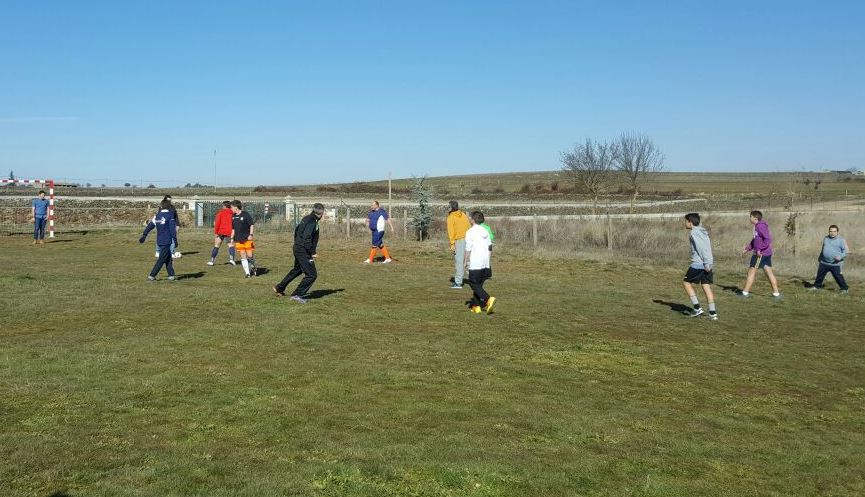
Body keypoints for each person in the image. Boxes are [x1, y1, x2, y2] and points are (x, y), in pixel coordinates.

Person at [273, 203, 325, 304]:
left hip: (298, 247)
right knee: (311, 275)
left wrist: (297, 243)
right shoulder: (312, 222)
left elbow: (297, 231)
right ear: (321, 213)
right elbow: (307, 237)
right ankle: (297, 295)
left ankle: (279, 287)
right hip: (303, 250)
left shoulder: (306, 218)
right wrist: (312, 252)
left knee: (298, 270)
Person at [738, 210, 781, 299]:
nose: (749, 218)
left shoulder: (760, 226)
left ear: (755, 218)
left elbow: (768, 239)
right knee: (769, 272)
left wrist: (759, 249)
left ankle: (745, 293)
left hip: (760, 254)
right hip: (765, 254)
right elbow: (756, 240)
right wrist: (748, 248)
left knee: (751, 271)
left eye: (750, 216)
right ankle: (776, 294)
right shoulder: (757, 226)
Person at [682, 213, 718, 320]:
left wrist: (706, 263)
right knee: (706, 285)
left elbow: (701, 248)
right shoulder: (702, 231)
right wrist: (709, 263)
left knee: (686, 283)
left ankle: (697, 308)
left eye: (686, 221)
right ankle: (713, 313)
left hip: (699, 264)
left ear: (690, 222)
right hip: (707, 263)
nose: (685, 223)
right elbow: (707, 248)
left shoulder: (694, 233)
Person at [139, 199, 179, 281]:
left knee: (168, 257)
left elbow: (150, 226)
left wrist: (144, 234)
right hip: (166, 241)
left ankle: (171, 275)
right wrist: (175, 240)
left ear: (161, 206)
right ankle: (152, 276)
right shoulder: (170, 216)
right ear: (169, 206)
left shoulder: (157, 216)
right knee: (161, 259)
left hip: (159, 241)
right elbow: (172, 230)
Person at [464, 211, 495, 314]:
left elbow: (468, 249)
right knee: (479, 285)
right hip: (485, 262)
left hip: (476, 262)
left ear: (472, 220)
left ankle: (488, 299)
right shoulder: (485, 231)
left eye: (470, 217)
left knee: (473, 283)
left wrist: (465, 261)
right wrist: (488, 259)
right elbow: (490, 247)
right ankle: (476, 306)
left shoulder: (470, 232)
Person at [810, 224, 850, 294]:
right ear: (829, 231)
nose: (832, 233)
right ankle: (816, 286)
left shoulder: (841, 240)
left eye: (834, 231)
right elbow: (823, 248)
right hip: (824, 262)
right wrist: (820, 257)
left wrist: (840, 256)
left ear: (837, 232)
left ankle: (844, 289)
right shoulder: (826, 238)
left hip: (835, 263)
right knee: (820, 275)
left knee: (838, 277)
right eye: (831, 231)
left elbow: (846, 251)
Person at [229, 200, 257, 278]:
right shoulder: (233, 216)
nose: (231, 209)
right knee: (243, 255)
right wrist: (231, 238)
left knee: (250, 255)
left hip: (247, 239)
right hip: (238, 239)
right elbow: (233, 229)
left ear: (236, 207)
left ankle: (253, 267)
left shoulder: (245, 214)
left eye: (231, 207)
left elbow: (251, 225)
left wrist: (251, 234)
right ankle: (247, 273)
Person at [446, 200, 470, 288]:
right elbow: (469, 226)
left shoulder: (450, 217)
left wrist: (452, 244)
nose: (447, 208)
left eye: (449, 206)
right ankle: (475, 279)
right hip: (468, 239)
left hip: (459, 241)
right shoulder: (463, 214)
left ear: (452, 207)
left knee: (459, 261)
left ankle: (458, 282)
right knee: (468, 261)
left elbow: (451, 232)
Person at [208, 200, 236, 266]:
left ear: (224, 206)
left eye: (222, 205)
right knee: (231, 245)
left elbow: (217, 223)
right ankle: (232, 260)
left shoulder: (220, 212)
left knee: (216, 245)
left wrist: (216, 232)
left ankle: (212, 261)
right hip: (229, 231)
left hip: (220, 231)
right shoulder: (232, 213)